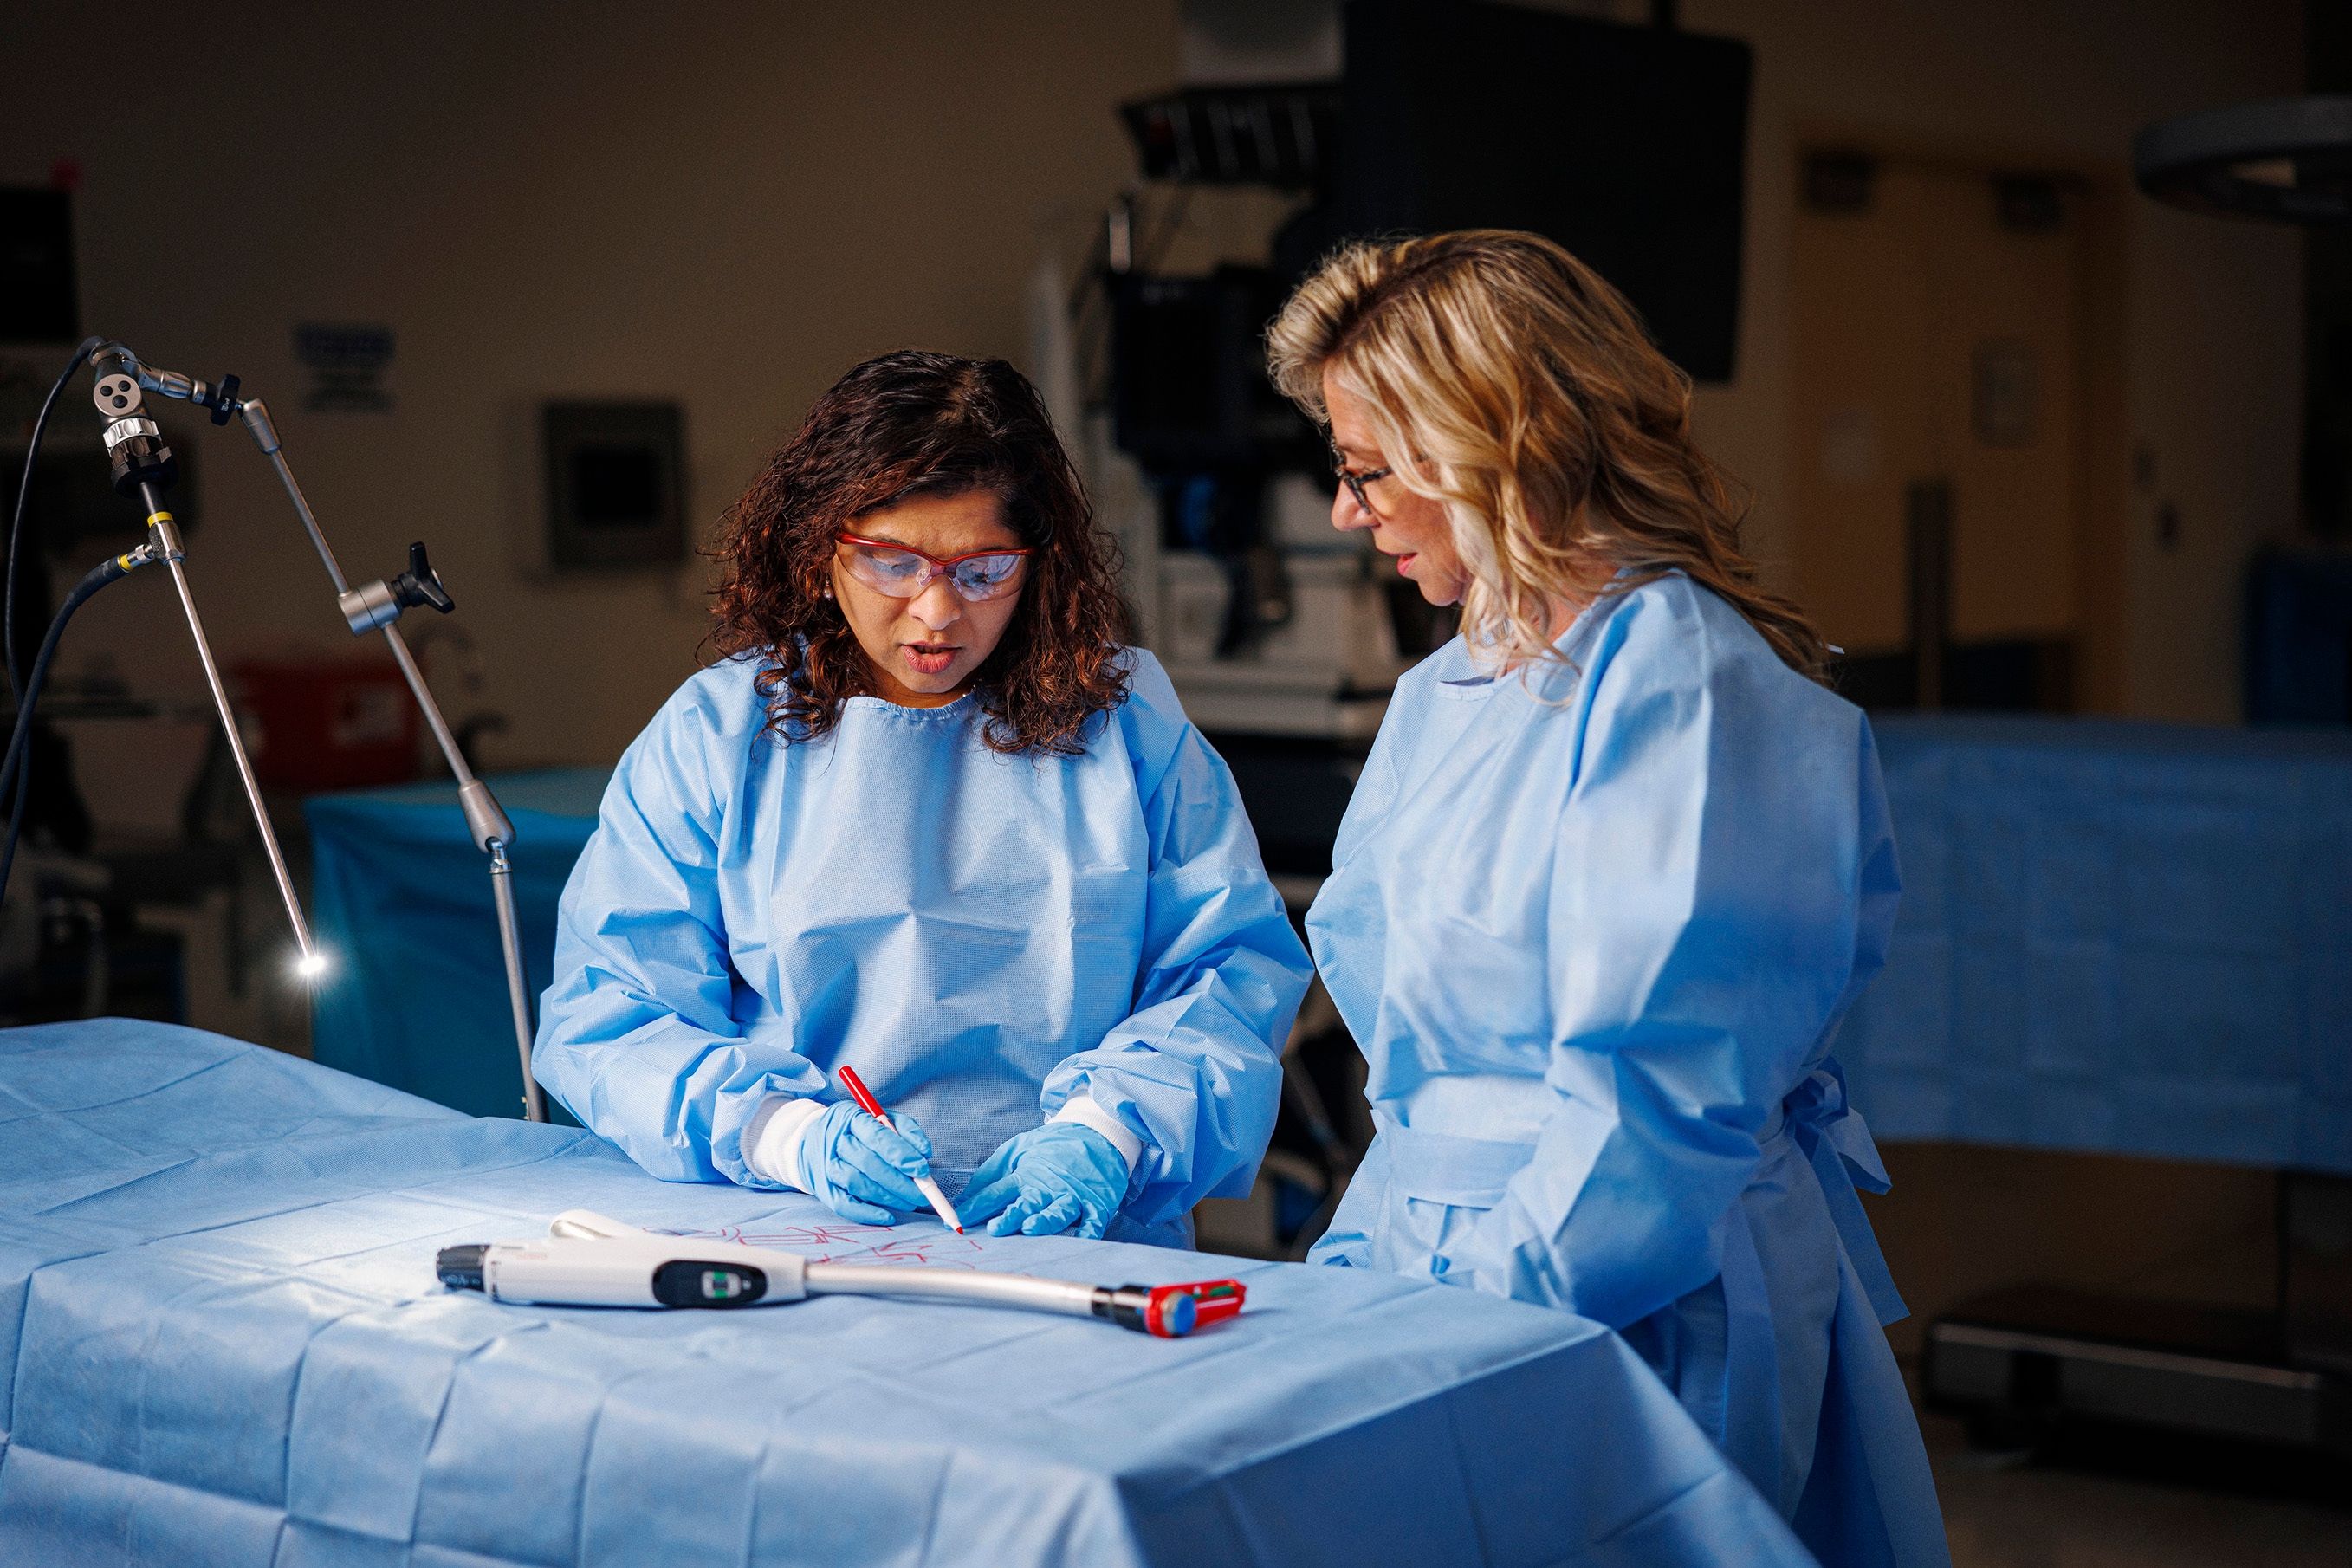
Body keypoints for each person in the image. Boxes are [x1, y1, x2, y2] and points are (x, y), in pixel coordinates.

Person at [1267, 233, 1949, 1568]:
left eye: (1361, 468)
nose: (1344, 512)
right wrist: (1360, 1280)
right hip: (1441, 1258)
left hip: (1621, 1284)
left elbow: (1655, 1091)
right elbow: (1421, 1076)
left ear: (1484, 441)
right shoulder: (1448, 686)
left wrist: (1477, 1327)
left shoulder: (1685, 686)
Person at [535, 350, 1310, 1247]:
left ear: (1039, 563)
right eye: (893, 564)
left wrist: (1105, 1134)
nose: (937, 612)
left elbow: (1225, 974)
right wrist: (784, 1133)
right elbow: (610, 1012)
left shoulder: (1123, 723)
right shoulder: (720, 736)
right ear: (822, 547)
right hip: (795, 1229)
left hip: (1079, 1232)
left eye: (983, 570)